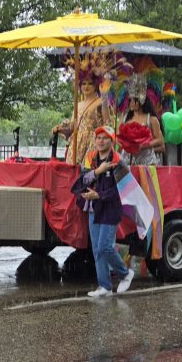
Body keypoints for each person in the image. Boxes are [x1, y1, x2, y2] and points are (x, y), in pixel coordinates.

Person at [71, 126, 134, 297]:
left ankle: (125, 273)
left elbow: (121, 190)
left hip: (110, 209)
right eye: (98, 137)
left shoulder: (118, 161)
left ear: (111, 141)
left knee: (105, 247)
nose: (101, 141)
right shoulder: (90, 158)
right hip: (93, 208)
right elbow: (81, 181)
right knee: (97, 250)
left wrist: (99, 195)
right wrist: (97, 171)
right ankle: (104, 287)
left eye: (105, 138)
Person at [52, 74, 112, 165]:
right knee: (72, 173)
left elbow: (107, 121)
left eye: (90, 83)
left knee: (88, 171)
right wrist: (60, 128)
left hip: (92, 143)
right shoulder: (78, 104)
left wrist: (104, 97)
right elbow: (72, 127)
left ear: (95, 86)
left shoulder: (100, 101)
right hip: (76, 144)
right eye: (83, 84)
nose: (86, 86)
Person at [122, 73, 165, 166]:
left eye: (134, 100)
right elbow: (120, 138)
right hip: (128, 160)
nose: (131, 103)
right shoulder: (125, 118)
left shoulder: (152, 120)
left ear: (141, 101)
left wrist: (144, 145)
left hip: (147, 160)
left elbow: (159, 141)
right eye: (130, 101)